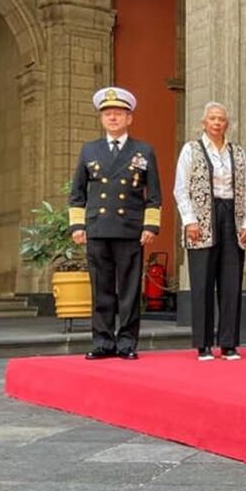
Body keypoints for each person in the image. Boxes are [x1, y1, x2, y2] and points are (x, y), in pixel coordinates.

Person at [68, 87, 161, 361]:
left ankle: (127, 343)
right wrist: (77, 226)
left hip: (130, 229)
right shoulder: (89, 150)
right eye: (108, 113)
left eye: (119, 113)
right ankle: (102, 342)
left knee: (130, 290)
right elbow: (77, 193)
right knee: (101, 288)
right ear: (101, 118)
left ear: (129, 118)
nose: (113, 118)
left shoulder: (143, 150)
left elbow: (153, 194)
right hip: (97, 229)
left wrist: (150, 226)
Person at [174, 102, 246, 361]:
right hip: (201, 220)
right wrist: (189, 220)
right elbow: (181, 188)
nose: (217, 123)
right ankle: (203, 345)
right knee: (202, 283)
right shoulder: (191, 149)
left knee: (231, 283)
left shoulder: (237, 152)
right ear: (204, 123)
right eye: (212, 118)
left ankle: (229, 343)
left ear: (227, 124)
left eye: (221, 119)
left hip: (231, 217)